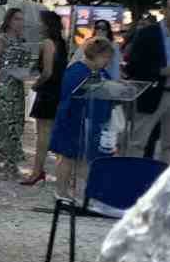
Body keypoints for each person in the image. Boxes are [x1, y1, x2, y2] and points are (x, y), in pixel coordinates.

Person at [50, 36, 119, 200]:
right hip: (73, 122)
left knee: (86, 159)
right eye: (106, 57)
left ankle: (82, 194)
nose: (108, 61)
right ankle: (61, 192)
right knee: (67, 157)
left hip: (93, 123)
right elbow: (69, 96)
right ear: (96, 55)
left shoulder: (102, 73)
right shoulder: (76, 71)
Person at [125, 0, 170, 161]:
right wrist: (160, 71)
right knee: (139, 142)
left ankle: (163, 182)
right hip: (153, 92)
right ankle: (132, 179)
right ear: (163, 10)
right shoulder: (148, 34)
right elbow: (132, 66)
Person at [0, 8, 33, 180]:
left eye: (22, 19)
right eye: (17, 19)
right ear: (9, 21)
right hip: (4, 87)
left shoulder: (21, 40)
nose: (20, 23)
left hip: (18, 87)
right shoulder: (1, 39)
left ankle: (11, 163)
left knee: (16, 124)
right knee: (2, 125)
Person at [23, 8, 69, 186]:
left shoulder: (48, 43)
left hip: (48, 91)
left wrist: (36, 85)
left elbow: (48, 71)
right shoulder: (61, 43)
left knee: (42, 135)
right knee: (49, 133)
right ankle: (54, 171)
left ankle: (37, 171)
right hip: (57, 90)